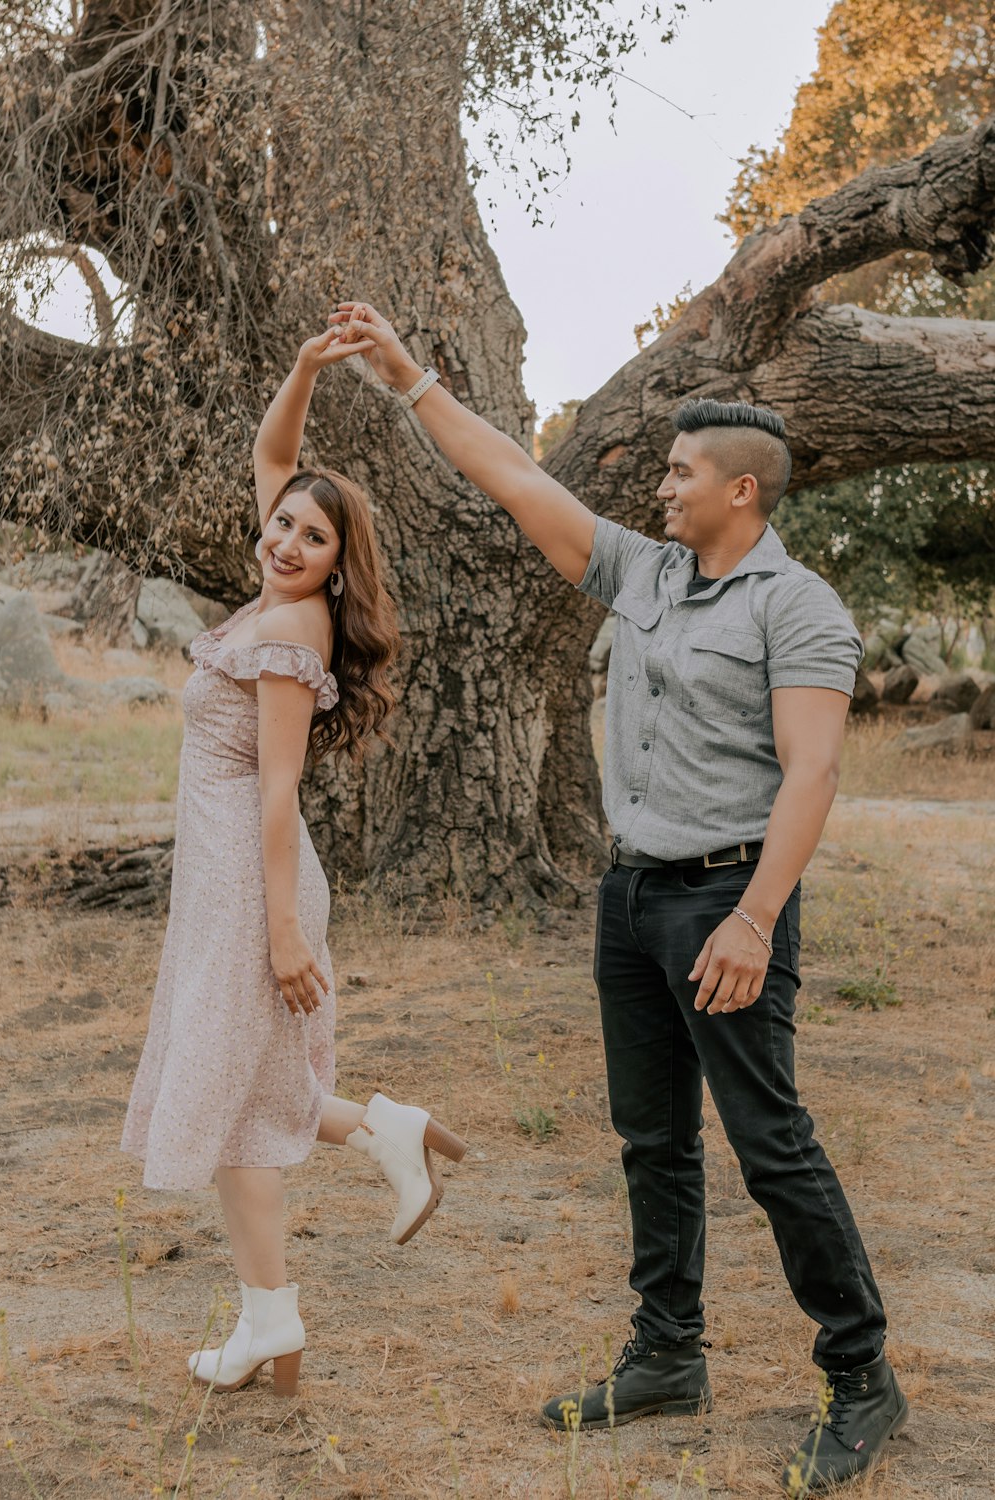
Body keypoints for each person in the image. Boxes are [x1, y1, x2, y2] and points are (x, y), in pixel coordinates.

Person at [322, 301, 907, 1493]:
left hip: (727, 902)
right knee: (652, 1143)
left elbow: (814, 771)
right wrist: (406, 378)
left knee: (768, 1143)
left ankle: (861, 1376)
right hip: (631, 897)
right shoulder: (643, 570)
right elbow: (509, 478)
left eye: (682, 470)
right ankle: (666, 1359)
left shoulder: (796, 608)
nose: (661, 483)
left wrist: (752, 918)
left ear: (742, 491)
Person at [120, 328, 466, 1399]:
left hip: (249, 881)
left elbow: (276, 791)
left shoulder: (294, 633)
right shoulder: (278, 587)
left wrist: (280, 931)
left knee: (235, 1106)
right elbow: (277, 456)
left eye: (311, 535)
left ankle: (271, 1320)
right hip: (224, 879)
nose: (284, 538)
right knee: (248, 1089)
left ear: (335, 559)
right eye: (281, 523)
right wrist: (309, 370)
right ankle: (379, 1138)